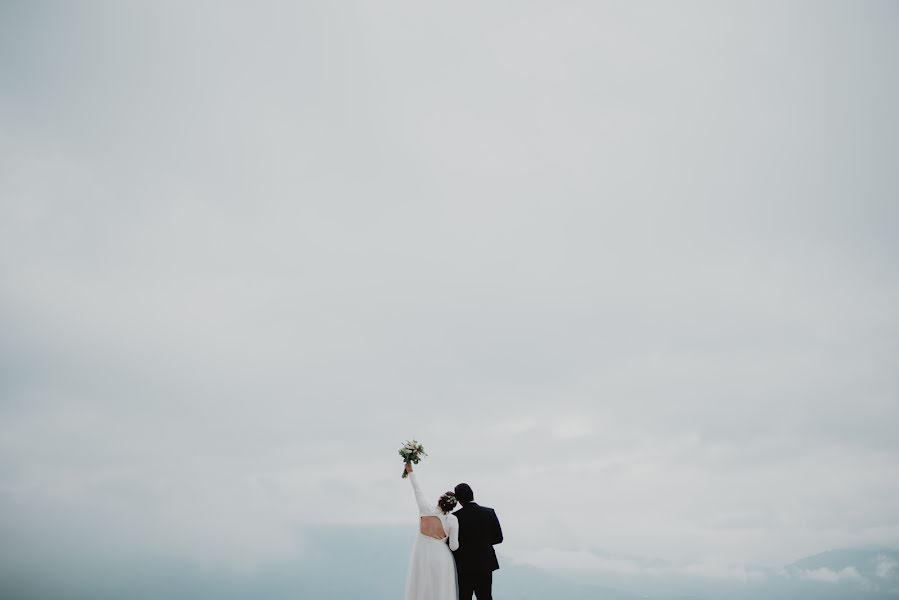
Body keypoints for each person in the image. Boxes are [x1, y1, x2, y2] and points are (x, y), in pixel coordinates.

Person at [404, 462, 460, 600]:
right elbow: (454, 546)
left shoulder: (425, 509)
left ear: (440, 500)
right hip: (442, 558)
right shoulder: (452, 520)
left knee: (423, 588)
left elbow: (417, 490)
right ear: (452, 506)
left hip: (423, 557)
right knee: (440, 591)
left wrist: (410, 471)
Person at [451, 482, 503, 600]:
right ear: (472, 495)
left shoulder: (455, 517)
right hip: (485, 564)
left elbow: (451, 543)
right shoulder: (489, 512)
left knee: (464, 597)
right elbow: (499, 538)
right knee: (485, 596)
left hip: (463, 565)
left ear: (458, 499)